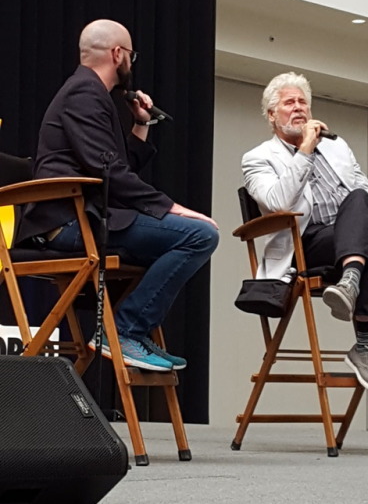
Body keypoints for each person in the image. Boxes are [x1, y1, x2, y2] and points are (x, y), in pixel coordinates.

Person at [17, 19, 219, 371]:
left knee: (189, 237)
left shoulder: (92, 94)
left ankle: (127, 330)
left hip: (90, 216)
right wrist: (172, 208)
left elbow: (114, 169)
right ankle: (123, 329)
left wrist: (140, 124)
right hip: (70, 221)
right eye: (131, 55)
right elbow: (108, 171)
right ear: (117, 54)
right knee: (199, 235)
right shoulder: (84, 93)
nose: (131, 63)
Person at [242, 71, 368, 398]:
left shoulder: (337, 147)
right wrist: (303, 151)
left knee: (365, 211)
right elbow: (278, 202)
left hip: (349, 238)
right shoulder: (257, 158)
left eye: (304, 102)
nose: (300, 108)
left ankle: (350, 281)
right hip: (304, 244)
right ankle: (367, 342)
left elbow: (362, 187)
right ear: (272, 115)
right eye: (290, 103)